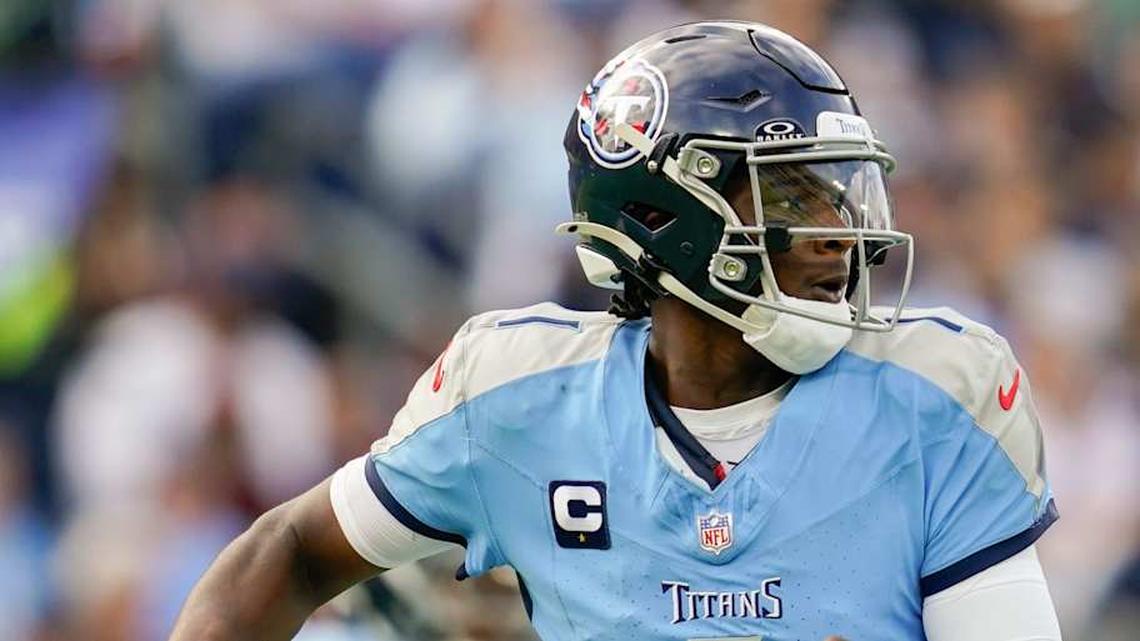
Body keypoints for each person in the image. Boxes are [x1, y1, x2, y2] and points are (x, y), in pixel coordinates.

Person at [170, 21, 1062, 641]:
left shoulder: (935, 398)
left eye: (839, 191)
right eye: (793, 193)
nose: (838, 231)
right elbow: (282, 551)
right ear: (663, 215)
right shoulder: (516, 396)